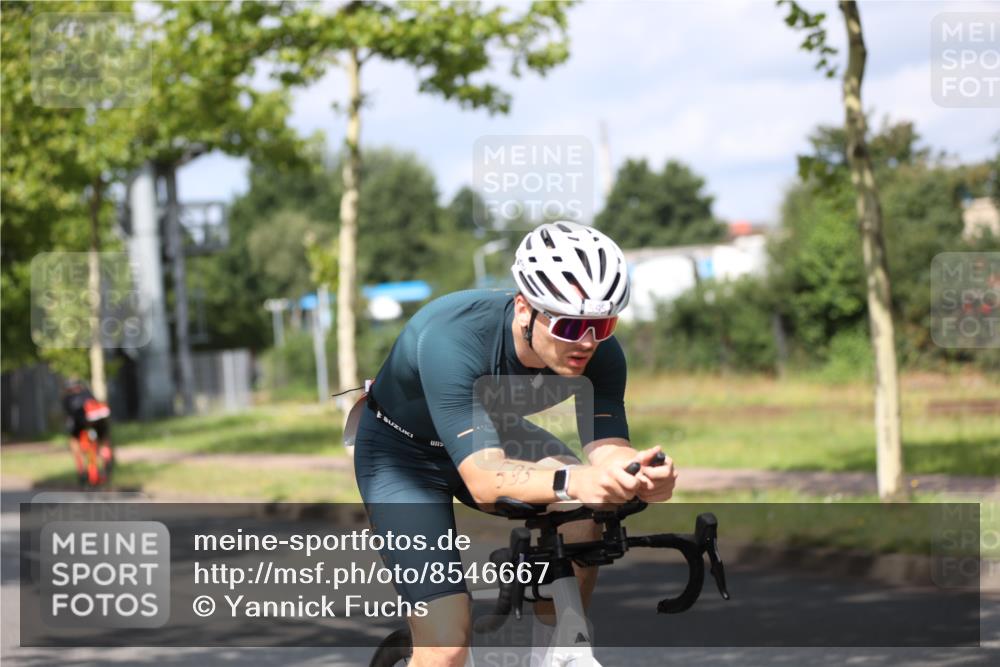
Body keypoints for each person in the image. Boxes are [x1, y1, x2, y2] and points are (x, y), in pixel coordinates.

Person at [353, 221, 677, 666]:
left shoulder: (602, 351)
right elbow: (485, 479)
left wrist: (639, 475)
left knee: (580, 511)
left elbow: (608, 449)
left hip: (491, 432)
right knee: (446, 645)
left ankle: (554, 650)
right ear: (525, 309)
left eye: (603, 323)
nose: (586, 341)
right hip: (403, 457)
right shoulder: (453, 339)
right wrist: (578, 479)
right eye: (568, 326)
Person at [61, 378, 113, 486]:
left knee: (75, 443)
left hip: (80, 425)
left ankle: (81, 470)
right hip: (97, 423)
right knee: (103, 440)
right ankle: (106, 455)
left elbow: (69, 416)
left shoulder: (67, 398)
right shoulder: (87, 392)